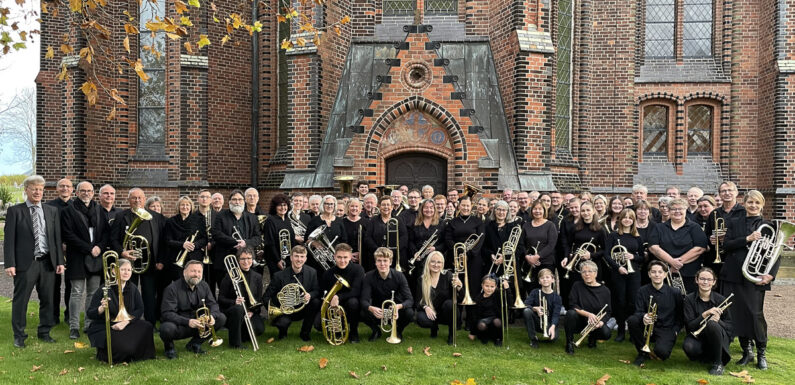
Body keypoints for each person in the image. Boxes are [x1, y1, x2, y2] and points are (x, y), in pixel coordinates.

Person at [5, 175, 65, 347]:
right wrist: (10, 263)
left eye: (40, 189)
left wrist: (60, 261)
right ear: (26, 190)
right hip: (26, 263)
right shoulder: (15, 211)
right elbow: (9, 240)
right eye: (34, 188)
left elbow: (56, 238)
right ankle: (19, 336)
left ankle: (44, 332)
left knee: (48, 299)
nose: (38, 192)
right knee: (21, 300)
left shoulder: (51, 211)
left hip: (48, 262)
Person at [721, 190, 777, 370]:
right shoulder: (734, 222)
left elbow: (776, 254)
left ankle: (762, 353)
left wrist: (771, 275)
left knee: (755, 314)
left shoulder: (768, 225)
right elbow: (726, 245)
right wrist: (747, 239)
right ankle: (747, 351)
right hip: (733, 274)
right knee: (736, 314)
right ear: (744, 203)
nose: (753, 206)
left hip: (756, 276)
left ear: (762, 205)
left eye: (757, 203)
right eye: (750, 202)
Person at [111, 188, 164, 325]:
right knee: (128, 292)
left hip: (150, 261)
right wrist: (122, 252)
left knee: (149, 294)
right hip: (128, 262)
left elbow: (163, 240)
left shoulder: (156, 217)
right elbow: (113, 239)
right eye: (134, 198)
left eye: (140, 197)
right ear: (129, 200)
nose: (137, 200)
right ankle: (129, 321)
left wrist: (160, 260)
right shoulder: (121, 216)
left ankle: (150, 323)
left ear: (145, 199)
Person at [86, 258, 155, 363]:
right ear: (114, 271)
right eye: (123, 269)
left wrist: (126, 322)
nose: (126, 273)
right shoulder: (105, 288)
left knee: (147, 326)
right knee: (124, 347)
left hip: (126, 323)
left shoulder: (133, 288)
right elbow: (90, 313)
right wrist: (101, 308)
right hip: (108, 325)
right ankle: (108, 353)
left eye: (129, 270)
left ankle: (134, 353)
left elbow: (140, 309)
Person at [61, 181, 105, 339]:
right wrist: (88, 248)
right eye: (83, 191)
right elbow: (68, 235)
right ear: (77, 193)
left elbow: (105, 233)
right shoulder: (69, 210)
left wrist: (99, 246)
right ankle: (73, 326)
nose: (86, 193)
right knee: (77, 292)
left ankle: (88, 324)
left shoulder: (99, 210)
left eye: (89, 191)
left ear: (93, 193)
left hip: (96, 257)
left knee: (93, 294)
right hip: (78, 257)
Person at [160, 260, 226, 358]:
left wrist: (212, 316)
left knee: (221, 318)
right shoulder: (172, 289)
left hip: (199, 324)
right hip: (181, 324)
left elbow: (213, 304)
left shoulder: (204, 285)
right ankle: (169, 348)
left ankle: (194, 344)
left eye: (199, 272)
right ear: (184, 272)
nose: (196, 274)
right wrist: (188, 321)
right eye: (193, 271)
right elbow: (167, 313)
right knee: (166, 328)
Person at [628, 260, 683, 366]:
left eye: (660, 272)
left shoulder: (675, 292)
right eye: (653, 272)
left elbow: (680, 315)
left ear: (665, 274)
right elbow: (637, 312)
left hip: (666, 328)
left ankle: (656, 348)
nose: (657, 274)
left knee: (662, 353)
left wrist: (676, 330)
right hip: (647, 326)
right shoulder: (642, 291)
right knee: (632, 320)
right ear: (649, 274)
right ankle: (642, 352)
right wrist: (643, 316)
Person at [648, 198, 708, 294]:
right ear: (669, 210)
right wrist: (671, 262)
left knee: (688, 300)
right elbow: (653, 248)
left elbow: (700, 248)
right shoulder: (659, 227)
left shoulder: (694, 227)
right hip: (665, 272)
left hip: (689, 273)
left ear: (686, 210)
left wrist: (677, 264)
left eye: (680, 209)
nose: (677, 211)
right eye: (673, 209)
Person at [264, 246, 321, 341]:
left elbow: (316, 290)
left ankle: (305, 333)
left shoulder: (312, 272)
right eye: (296, 256)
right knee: (283, 322)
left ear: (306, 258)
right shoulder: (279, 276)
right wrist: (277, 308)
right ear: (291, 257)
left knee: (315, 302)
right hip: (285, 311)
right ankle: (283, 333)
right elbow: (266, 297)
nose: (299, 259)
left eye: (302, 256)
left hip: (302, 309)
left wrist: (310, 295)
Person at [163, 196, 208, 316]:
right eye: (182, 205)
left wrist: (194, 245)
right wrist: (182, 244)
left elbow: (204, 239)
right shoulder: (171, 221)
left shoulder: (198, 220)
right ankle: (178, 311)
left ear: (191, 207)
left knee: (195, 285)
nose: (185, 207)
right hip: (177, 258)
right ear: (178, 206)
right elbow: (167, 240)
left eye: (187, 205)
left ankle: (195, 312)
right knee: (179, 284)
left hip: (194, 257)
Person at [211, 190, 262, 296]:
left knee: (245, 290)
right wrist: (235, 241)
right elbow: (216, 234)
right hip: (225, 261)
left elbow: (257, 238)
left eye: (240, 199)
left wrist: (246, 243)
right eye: (234, 199)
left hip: (246, 261)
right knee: (226, 291)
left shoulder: (252, 218)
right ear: (229, 201)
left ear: (244, 201)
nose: (237, 202)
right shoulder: (220, 216)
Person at [683, 267, 733, 375]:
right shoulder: (689, 299)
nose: (705, 282)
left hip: (718, 337)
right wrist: (704, 314)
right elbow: (690, 326)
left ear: (714, 282)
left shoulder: (721, 300)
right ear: (697, 280)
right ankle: (707, 356)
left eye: (709, 279)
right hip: (699, 336)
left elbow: (730, 327)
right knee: (688, 346)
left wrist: (718, 322)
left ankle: (718, 363)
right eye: (702, 279)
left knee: (712, 324)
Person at [604, 208, 644, 342]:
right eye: (625, 217)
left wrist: (633, 256)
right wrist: (618, 267)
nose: (627, 219)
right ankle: (621, 330)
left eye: (630, 218)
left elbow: (643, 257)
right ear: (620, 219)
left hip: (634, 273)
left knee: (633, 302)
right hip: (618, 273)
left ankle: (633, 332)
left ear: (633, 220)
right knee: (620, 301)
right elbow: (607, 255)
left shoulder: (637, 237)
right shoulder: (613, 236)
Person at [361, 247, 414, 341]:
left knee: (409, 313)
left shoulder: (399, 276)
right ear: (375, 262)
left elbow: (410, 300)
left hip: (395, 311)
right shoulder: (368, 276)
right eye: (379, 261)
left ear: (390, 262)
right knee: (362, 312)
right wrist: (371, 308)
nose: (382, 264)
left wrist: (398, 306)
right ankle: (376, 330)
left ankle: (398, 331)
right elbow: (364, 300)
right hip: (378, 311)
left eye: (385, 261)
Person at [217, 247, 264, 349]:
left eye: (249, 258)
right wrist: (234, 302)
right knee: (238, 309)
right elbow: (220, 298)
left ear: (252, 259)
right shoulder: (229, 276)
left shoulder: (257, 277)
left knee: (259, 329)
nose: (246, 261)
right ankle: (235, 343)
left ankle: (241, 334)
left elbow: (259, 300)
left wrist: (252, 311)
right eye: (242, 259)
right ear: (238, 260)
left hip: (249, 312)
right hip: (233, 312)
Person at [318, 243, 365, 343]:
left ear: (350, 257)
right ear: (334, 256)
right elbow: (323, 292)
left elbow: (356, 291)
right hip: (334, 304)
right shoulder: (328, 273)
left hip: (351, 303)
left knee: (353, 302)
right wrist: (332, 302)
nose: (342, 261)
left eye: (345, 257)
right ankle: (340, 328)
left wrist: (338, 297)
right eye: (339, 257)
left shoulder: (358, 269)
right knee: (317, 325)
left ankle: (353, 332)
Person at [564, 260, 611, 355]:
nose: (587, 274)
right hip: (580, 320)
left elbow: (608, 311)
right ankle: (569, 343)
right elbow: (573, 305)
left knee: (606, 333)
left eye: (590, 271)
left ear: (596, 273)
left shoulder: (605, 290)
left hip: (594, 322)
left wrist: (600, 323)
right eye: (584, 272)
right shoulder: (577, 285)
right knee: (570, 313)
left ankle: (592, 337)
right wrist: (588, 314)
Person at [415, 251, 462, 345]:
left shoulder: (448, 275)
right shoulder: (422, 279)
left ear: (442, 264)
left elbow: (459, 300)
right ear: (428, 263)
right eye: (433, 261)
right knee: (420, 318)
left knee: (450, 304)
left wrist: (460, 287)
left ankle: (451, 334)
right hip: (432, 313)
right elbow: (417, 301)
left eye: (439, 262)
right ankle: (434, 327)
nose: (436, 265)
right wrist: (426, 307)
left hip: (446, 312)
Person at [444, 196, 484, 292]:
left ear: (471, 207)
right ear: (459, 206)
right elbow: (448, 239)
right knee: (457, 284)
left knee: (473, 285)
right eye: (463, 205)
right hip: (457, 257)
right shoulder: (452, 222)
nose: (465, 208)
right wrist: (460, 252)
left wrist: (469, 254)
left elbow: (480, 239)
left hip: (474, 258)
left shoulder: (478, 222)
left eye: (468, 206)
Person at [46, 178, 73, 325]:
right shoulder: (48, 206)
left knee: (70, 284)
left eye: (68, 186)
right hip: (54, 251)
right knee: (53, 285)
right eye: (62, 186)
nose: (65, 188)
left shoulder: (76, 206)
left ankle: (69, 315)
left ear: (72, 189)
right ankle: (53, 316)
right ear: (57, 189)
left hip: (71, 251)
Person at [521, 199, 557, 293]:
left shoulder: (550, 225)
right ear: (531, 210)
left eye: (540, 209)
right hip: (529, 263)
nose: (537, 211)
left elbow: (551, 245)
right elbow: (521, 244)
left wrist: (537, 256)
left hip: (546, 263)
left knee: (546, 290)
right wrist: (527, 257)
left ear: (544, 210)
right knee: (531, 290)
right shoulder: (526, 225)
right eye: (535, 209)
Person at [363, 196, 407, 272]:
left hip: (394, 256)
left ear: (392, 207)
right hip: (377, 257)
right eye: (383, 205)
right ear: (379, 207)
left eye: (388, 205)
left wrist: (394, 250)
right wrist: (378, 250)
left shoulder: (398, 220)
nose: (386, 207)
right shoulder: (373, 220)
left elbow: (404, 237)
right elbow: (368, 238)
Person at [305, 195, 348, 272]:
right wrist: (314, 243)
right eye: (327, 204)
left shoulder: (339, 221)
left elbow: (344, 240)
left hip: (335, 258)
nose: (329, 206)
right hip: (318, 261)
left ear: (334, 206)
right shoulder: (314, 220)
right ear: (322, 205)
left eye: (331, 204)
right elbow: (306, 239)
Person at [468, 274, 511, 346]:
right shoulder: (478, 298)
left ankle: (498, 338)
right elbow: (474, 316)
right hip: (483, 320)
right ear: (482, 285)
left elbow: (509, 303)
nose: (489, 289)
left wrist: (507, 289)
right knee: (481, 325)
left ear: (496, 287)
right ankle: (484, 336)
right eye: (487, 286)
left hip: (495, 319)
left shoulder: (498, 295)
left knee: (497, 322)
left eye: (492, 286)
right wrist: (472, 332)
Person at [523, 268, 562, 347]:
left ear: (553, 280)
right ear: (539, 281)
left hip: (549, 323)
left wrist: (553, 326)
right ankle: (533, 339)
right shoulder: (535, 292)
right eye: (542, 278)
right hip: (537, 321)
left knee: (554, 338)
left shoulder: (557, 297)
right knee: (527, 311)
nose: (545, 279)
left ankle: (548, 331)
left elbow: (556, 314)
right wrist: (535, 308)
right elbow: (525, 304)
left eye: (547, 277)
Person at [482, 200, 521, 278]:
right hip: (492, 264)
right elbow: (483, 246)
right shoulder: (487, 227)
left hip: (509, 266)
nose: (501, 212)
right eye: (498, 209)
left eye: (504, 210)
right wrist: (491, 255)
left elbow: (520, 247)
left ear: (507, 212)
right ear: (494, 211)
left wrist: (504, 257)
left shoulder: (513, 227)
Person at [408, 199, 445, 277]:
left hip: (435, 260)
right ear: (421, 209)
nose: (428, 210)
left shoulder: (441, 223)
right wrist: (415, 252)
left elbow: (445, 242)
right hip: (419, 259)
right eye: (426, 207)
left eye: (431, 207)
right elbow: (410, 241)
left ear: (434, 209)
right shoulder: (414, 223)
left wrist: (435, 248)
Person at [263, 194, 297, 275]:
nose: (282, 208)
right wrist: (278, 260)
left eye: (284, 205)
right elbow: (269, 243)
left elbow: (291, 240)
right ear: (275, 207)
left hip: (288, 258)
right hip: (275, 259)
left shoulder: (287, 220)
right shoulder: (270, 221)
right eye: (279, 205)